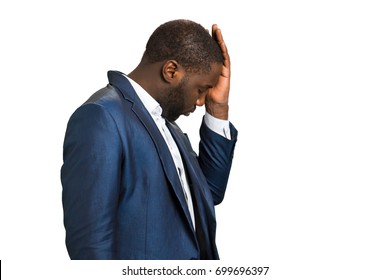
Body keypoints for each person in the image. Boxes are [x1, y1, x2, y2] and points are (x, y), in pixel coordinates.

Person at [61, 19, 238, 260]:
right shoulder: (102, 117)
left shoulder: (169, 128)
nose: (200, 102)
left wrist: (217, 108)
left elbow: (210, 193)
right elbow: (90, 243)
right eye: (200, 89)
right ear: (171, 71)